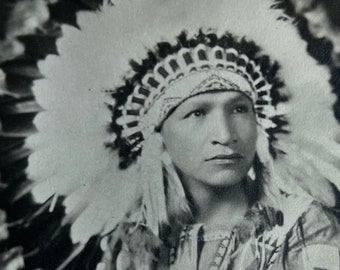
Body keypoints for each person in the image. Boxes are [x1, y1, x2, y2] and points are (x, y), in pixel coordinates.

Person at [97, 31, 340, 270]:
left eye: (239, 109)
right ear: (158, 141)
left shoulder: (304, 227)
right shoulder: (129, 246)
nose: (225, 135)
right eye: (197, 113)